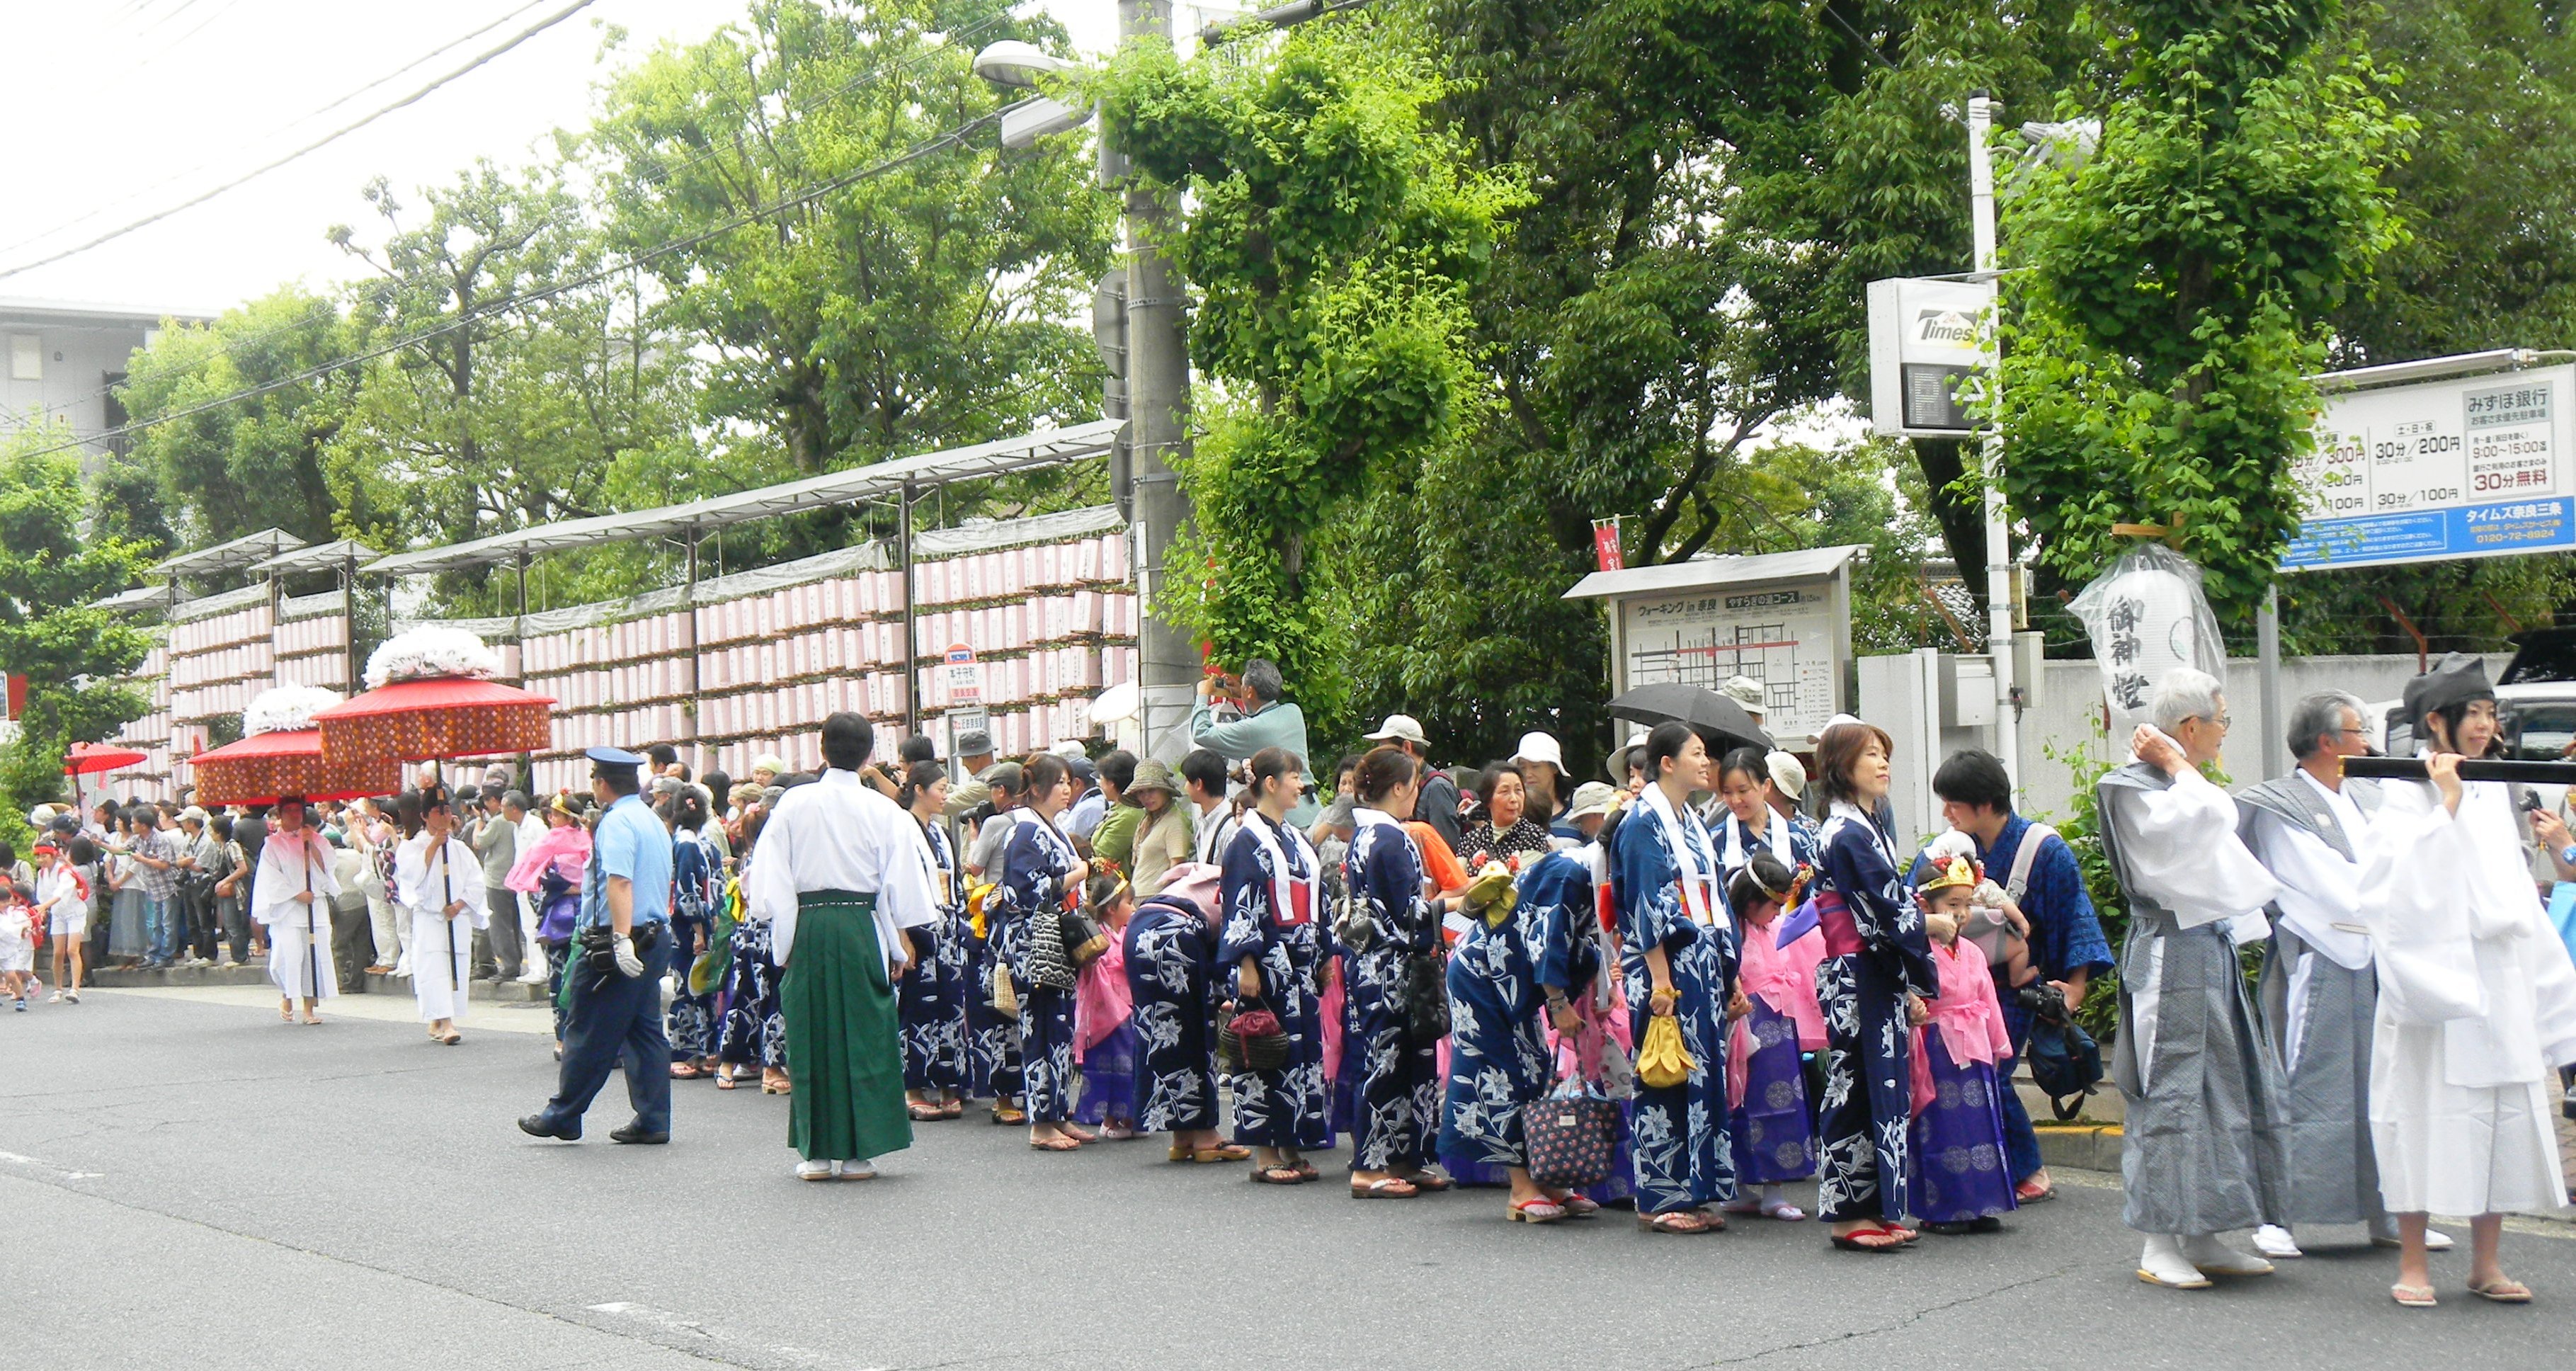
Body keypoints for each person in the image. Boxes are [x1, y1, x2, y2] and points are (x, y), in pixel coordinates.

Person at [2355, 654, 2576, 1307]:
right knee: (2418, 1114)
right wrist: (2444, 808)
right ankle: (2414, 1262)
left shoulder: (2489, 787)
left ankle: (2487, 1262)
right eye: (2473, 713)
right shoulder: (2404, 790)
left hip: (2495, 975)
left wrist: (2548, 985)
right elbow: (2390, 889)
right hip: (2429, 978)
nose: (2485, 725)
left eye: (2488, 713)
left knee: (2499, 1116)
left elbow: (2514, 889)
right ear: (2436, 721)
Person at [2097, 667, 2292, 1289]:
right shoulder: (2133, 788)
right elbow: (2215, 813)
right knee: (2171, 1093)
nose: (2225, 731)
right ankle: (2160, 1240)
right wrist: (2174, 762)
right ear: (2189, 727)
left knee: (2222, 1091)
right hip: (2167, 956)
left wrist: (2178, 765)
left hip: (2207, 950)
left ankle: (2205, 1231)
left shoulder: (2175, 784)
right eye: (2221, 720)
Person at [2237, 692, 2436, 1260]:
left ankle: (2391, 1212)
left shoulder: (2369, 793)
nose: (2369, 742)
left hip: (2380, 957)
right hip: (2320, 958)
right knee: (2307, 1083)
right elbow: (2336, 888)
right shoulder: (2282, 808)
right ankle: (2278, 1218)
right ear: (2327, 742)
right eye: (2359, 731)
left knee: (2388, 1086)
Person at [744, 713, 938, 1181]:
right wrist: (896, 944)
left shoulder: (794, 803)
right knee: (866, 1036)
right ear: (869, 755)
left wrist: (783, 938)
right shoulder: (884, 810)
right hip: (861, 924)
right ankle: (859, 1154)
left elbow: (773, 879)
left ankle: (816, 1154)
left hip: (809, 923)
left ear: (822, 748)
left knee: (811, 1036)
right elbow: (900, 888)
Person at [1926, 747, 2114, 1205]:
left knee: (1994, 1070)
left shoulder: (2045, 850)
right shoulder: (1947, 851)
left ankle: (2029, 1168)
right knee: (1969, 1076)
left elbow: (2075, 916)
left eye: (1954, 804)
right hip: (1957, 982)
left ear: (1985, 804)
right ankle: (1993, 1169)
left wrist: (2076, 986)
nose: (1946, 813)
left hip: (2015, 985)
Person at [1810, 717, 1939, 1253]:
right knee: (1854, 1085)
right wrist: (1929, 927)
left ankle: (1877, 1207)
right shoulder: (1847, 834)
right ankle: (1846, 1215)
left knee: (1880, 1086)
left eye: (1884, 753)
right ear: (1842, 766)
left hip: (1871, 971)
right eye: (1869, 754)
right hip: (1857, 971)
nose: (1882, 763)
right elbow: (1885, 910)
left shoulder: (1864, 826)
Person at [1609, 722, 1735, 1233]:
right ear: (1667, 763)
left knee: (1699, 1075)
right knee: (1665, 1072)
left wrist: (1730, 972)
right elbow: (1645, 903)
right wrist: (1661, 982)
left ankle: (1694, 1189)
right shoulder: (1643, 822)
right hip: (1663, 967)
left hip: (1700, 964)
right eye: (1697, 754)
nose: (1706, 763)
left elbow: (1715, 898)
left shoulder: (1692, 821)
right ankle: (1659, 1198)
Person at [1438, 802, 1588, 1223]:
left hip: (1514, 977)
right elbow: (1547, 938)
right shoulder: (1569, 871)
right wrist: (1558, 1002)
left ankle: (1547, 1178)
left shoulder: (1586, 874)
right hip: (1483, 973)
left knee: (1534, 1066)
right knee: (1499, 1070)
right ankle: (1521, 1187)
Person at [519, 748, 677, 1147]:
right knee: (644, 1031)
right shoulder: (650, 819)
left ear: (602, 783)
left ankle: (563, 1114)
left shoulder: (617, 821)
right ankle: (653, 1118)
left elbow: (619, 881)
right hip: (653, 934)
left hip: (622, 938)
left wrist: (621, 939)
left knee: (587, 1027)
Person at [1221, 746, 1334, 1185]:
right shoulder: (1245, 841)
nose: (1301, 785)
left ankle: (1292, 1143)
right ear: (1270, 783)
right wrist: (1246, 962)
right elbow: (1240, 903)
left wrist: (1324, 953)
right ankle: (1266, 1152)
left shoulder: (1296, 838)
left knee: (1300, 1052)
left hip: (1301, 961)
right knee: (1266, 1049)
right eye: (1294, 777)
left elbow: (1319, 899)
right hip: (1268, 960)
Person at [1906, 851, 2018, 1234]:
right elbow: (1904, 990)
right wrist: (1912, 1007)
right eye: (1953, 905)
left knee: (1979, 1126)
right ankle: (1941, 1209)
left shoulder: (1972, 951)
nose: (1961, 914)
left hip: (1974, 1044)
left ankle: (1981, 1203)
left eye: (1967, 905)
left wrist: (1999, 1045)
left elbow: (1988, 999)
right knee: (1942, 1126)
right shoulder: (1916, 949)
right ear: (1925, 906)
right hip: (1935, 1045)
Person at [996, 752, 1090, 1152]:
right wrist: (1077, 874)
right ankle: (1041, 1122)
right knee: (1040, 1027)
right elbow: (1027, 890)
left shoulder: (1050, 828)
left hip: (1054, 938)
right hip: (1035, 942)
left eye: (1068, 782)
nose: (1066, 789)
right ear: (1036, 789)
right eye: (1059, 783)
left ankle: (1058, 1113)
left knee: (1060, 1027)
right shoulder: (1025, 830)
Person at [1720, 851, 1820, 1222]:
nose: (1778, 913)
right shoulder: (1728, 933)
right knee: (1739, 1105)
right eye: (1774, 905)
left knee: (1784, 1105)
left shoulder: (1772, 928)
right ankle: (1740, 1186)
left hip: (1779, 1028)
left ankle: (1774, 1191)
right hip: (1744, 1028)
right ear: (1751, 902)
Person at [1126, 861, 1242, 1164]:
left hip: (1140, 929)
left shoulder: (1208, 875)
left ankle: (1182, 1135)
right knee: (1195, 1031)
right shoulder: (1241, 878)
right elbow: (1232, 945)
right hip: (1176, 932)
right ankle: (1205, 1135)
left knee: (1159, 1032)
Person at [898, 761, 971, 1120]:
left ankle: (948, 1082)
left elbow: (955, 882)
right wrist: (901, 934)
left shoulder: (942, 833)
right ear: (919, 790)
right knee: (917, 1006)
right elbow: (895, 883)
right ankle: (912, 1086)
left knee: (951, 1005)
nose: (945, 796)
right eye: (940, 789)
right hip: (918, 927)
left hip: (948, 925)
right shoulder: (901, 828)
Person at [398, 786, 486, 1047]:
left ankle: (440, 1019)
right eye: (438, 812)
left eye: (447, 810)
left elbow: (476, 881)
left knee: (455, 966)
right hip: (430, 918)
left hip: (456, 917)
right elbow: (412, 877)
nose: (444, 816)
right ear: (425, 816)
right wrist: (434, 845)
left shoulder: (460, 849)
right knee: (434, 967)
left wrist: (459, 903)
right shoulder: (411, 847)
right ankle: (446, 1023)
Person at [508, 794, 592, 1060]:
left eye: (556, 814)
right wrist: (579, 889)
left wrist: (564, 890)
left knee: (564, 977)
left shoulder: (552, 841)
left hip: (565, 913)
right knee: (579, 977)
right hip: (583, 913)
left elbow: (539, 879)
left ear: (568, 817)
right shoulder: (589, 840)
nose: (551, 818)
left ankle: (564, 1038)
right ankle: (578, 1037)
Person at [1190, 659, 1317, 826]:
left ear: (1250, 691)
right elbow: (1262, 715)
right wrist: (1244, 694)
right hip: (1312, 810)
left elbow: (1201, 733)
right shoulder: (1294, 711)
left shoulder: (1252, 730)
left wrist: (1202, 696)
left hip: (1288, 820)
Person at [253, 797, 341, 1026]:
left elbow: (329, 868)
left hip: (315, 906)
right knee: (287, 956)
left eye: (298, 810)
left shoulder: (319, 840)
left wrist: (311, 844)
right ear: (280, 815)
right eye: (289, 811)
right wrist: (295, 893)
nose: (294, 815)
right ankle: (288, 993)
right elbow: (271, 878)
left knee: (314, 956)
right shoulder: (272, 844)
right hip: (289, 909)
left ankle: (309, 1008)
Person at [1072, 873, 1141, 1139]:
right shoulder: (1096, 936)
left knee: (1129, 1062)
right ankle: (1111, 1120)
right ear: (1112, 908)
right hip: (1105, 1011)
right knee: (1112, 1065)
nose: (1133, 908)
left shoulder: (1126, 933)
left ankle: (1129, 1117)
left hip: (1126, 1006)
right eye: (1129, 903)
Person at [663, 790, 724, 1079]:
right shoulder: (695, 843)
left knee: (697, 985)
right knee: (691, 985)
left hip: (695, 924)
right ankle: (685, 1051)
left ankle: (696, 1049)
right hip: (694, 925)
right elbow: (691, 890)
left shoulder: (689, 842)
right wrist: (703, 926)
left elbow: (695, 888)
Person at [1713, 746, 1817, 904]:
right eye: (1727, 792)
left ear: (1766, 785)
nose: (1735, 800)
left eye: (1743, 791)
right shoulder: (1714, 840)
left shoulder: (1799, 838)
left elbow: (1812, 897)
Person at [1364, 714, 1463, 853]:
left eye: (1385, 748)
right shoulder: (1408, 783)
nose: (1381, 755)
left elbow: (1446, 849)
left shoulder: (1437, 787)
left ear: (1406, 747)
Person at [1456, 763, 1554, 872]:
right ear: (1488, 799)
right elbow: (1457, 879)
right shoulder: (1471, 840)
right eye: (1505, 792)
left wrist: (1475, 881)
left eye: (1518, 790)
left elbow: (1525, 878)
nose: (1514, 799)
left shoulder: (1533, 834)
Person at [469, 788, 523, 983]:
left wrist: (478, 823)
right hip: (515, 878)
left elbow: (479, 842)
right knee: (514, 926)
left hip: (497, 880)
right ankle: (514, 963)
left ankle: (509, 966)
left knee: (499, 926)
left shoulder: (498, 821)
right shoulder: (517, 821)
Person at [1124, 759, 1193, 897]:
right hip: (1139, 895)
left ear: (1164, 790)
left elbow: (1177, 868)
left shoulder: (1174, 822)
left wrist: (1163, 900)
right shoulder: (1147, 822)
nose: (1146, 797)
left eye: (1152, 790)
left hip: (1155, 897)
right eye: (1141, 792)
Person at [35, 840, 89, 1003]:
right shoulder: (42, 873)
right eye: (38, 856)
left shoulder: (64, 872)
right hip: (58, 914)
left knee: (72, 950)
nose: (41, 860)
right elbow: (42, 895)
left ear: (53, 855)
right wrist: (43, 910)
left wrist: (44, 907)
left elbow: (60, 894)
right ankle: (58, 989)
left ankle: (75, 989)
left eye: (44, 856)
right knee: (58, 952)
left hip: (75, 913)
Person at [1510, 732, 1574, 838]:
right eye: (1522, 767)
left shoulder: (1577, 813)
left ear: (1554, 768)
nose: (1528, 774)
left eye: (1535, 766)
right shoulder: (1510, 815)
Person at [1083, 750, 1139, 869]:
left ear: (1111, 783)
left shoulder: (1128, 816)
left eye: (1101, 779)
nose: (1100, 784)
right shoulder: (1120, 809)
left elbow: (1101, 858)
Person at [1182, 749, 1236, 868]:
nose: (1185, 787)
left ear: (1198, 784)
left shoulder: (1231, 826)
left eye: (1187, 781)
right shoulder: (1206, 819)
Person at [0, 884, 34, 1010]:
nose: (6, 904)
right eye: (2, 902)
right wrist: (21, 927)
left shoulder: (10, 913)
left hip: (7, 952)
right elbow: (6, 931)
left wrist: (24, 926)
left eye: (7, 901)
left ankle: (20, 999)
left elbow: (11, 928)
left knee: (11, 976)